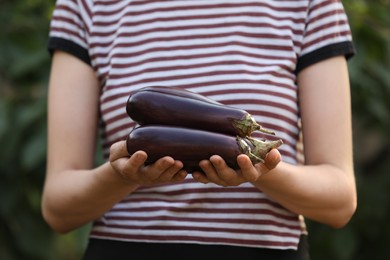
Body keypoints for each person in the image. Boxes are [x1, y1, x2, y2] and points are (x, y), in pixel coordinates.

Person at [41, 0, 357, 259]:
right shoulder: (86, 6)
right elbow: (58, 209)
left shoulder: (309, 5)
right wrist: (120, 176)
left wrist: (263, 170)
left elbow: (339, 201)